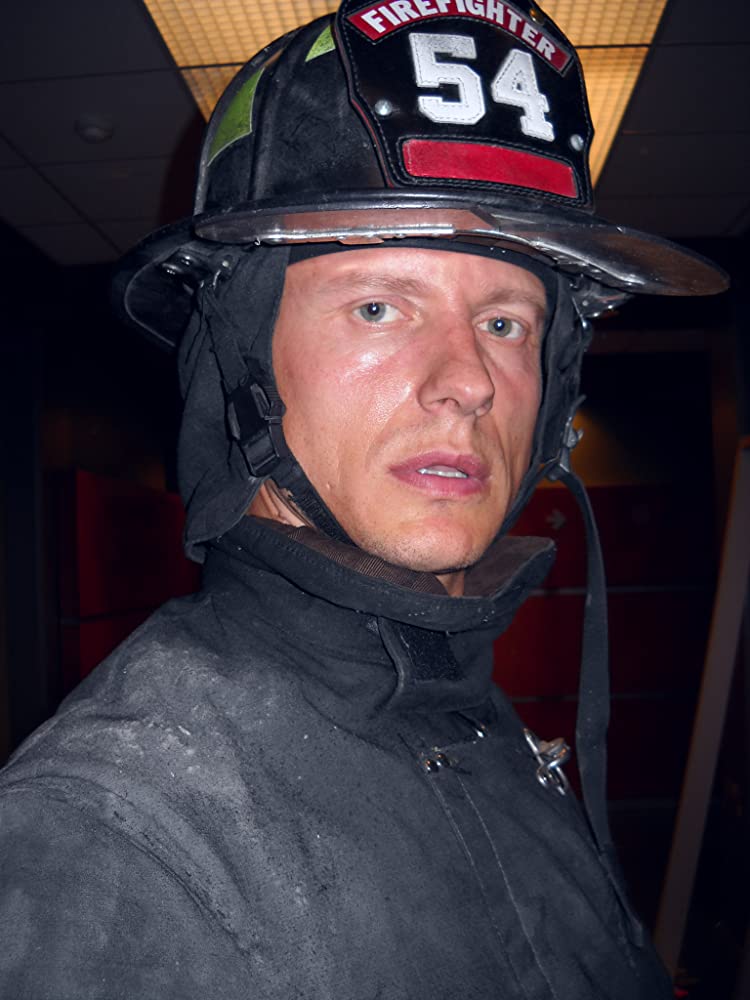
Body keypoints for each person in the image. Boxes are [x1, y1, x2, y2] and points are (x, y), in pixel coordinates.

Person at [0, 1, 727, 997]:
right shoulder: (112, 839)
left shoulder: (467, 701)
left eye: (506, 323)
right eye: (379, 306)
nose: (468, 383)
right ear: (243, 361)